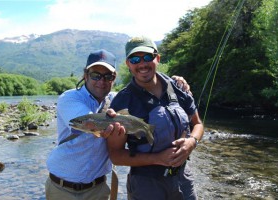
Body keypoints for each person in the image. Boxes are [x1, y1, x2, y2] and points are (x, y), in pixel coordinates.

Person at [45, 49, 191, 200]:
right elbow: (90, 122)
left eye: (108, 76)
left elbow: (146, 86)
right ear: (85, 74)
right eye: (96, 75)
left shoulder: (117, 100)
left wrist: (173, 81)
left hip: (99, 188)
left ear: (114, 78)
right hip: (62, 188)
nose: (101, 81)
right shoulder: (70, 98)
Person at [106, 36, 204, 200]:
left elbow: (198, 124)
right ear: (128, 64)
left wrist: (192, 142)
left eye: (148, 57)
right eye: (135, 59)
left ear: (157, 58)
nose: (142, 64)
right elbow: (116, 155)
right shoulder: (122, 102)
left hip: (183, 179)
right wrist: (157, 159)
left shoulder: (177, 87)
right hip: (146, 185)